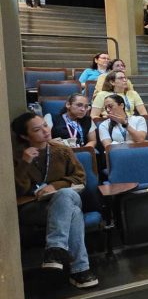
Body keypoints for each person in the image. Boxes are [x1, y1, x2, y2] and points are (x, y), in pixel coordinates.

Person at [12, 113, 99, 288]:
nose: (45, 131)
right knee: (73, 212)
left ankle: (55, 249)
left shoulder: (62, 150)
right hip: (35, 207)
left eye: (45, 125)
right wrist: (25, 164)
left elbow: (80, 178)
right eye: (37, 129)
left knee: (64, 195)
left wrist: (56, 186)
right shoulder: (17, 157)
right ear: (24, 136)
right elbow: (18, 190)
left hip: (67, 198)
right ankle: (80, 271)